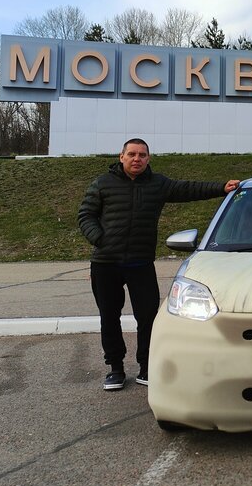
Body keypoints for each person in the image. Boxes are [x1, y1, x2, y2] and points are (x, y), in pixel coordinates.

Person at [78, 138, 240, 391]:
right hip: (105, 263)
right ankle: (115, 369)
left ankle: (146, 366)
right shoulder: (103, 184)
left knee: (148, 317)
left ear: (148, 158)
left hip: (140, 263)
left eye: (142, 155)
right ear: (121, 156)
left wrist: (221, 187)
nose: (137, 159)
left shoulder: (158, 184)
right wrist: (100, 238)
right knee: (109, 317)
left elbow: (189, 189)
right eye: (131, 154)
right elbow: (85, 215)